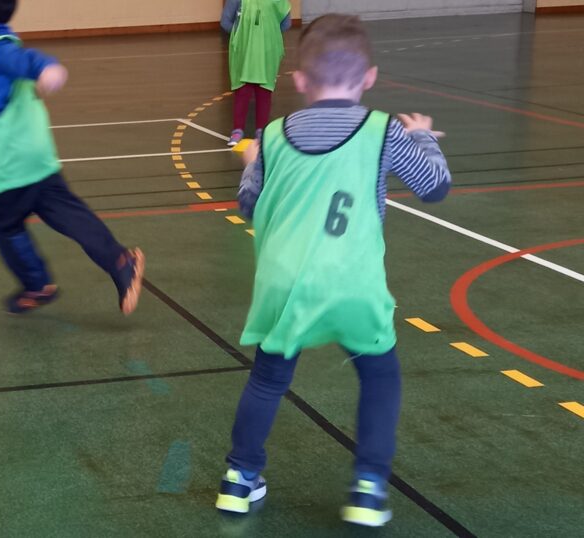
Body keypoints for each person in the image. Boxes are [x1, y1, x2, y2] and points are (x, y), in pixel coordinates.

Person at [215, 14, 452, 528]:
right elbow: (435, 186)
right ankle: (368, 486)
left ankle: (238, 478)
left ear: (300, 80)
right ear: (369, 77)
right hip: (352, 282)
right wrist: (423, 138)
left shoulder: (272, 136)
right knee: (379, 376)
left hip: (284, 283)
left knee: (268, 378)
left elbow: (249, 206)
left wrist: (253, 160)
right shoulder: (385, 131)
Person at [0, 0, 145, 315]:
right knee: (69, 215)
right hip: (36, 153)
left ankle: (37, 285)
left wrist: (49, 68)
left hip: (12, 161)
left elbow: (28, 60)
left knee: (5, 226)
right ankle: (120, 261)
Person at [221, 0, 293, 146]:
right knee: (242, 90)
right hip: (243, 50)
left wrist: (267, 33)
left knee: (264, 91)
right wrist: (242, 34)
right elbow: (225, 21)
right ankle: (237, 131)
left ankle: (261, 131)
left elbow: (286, 23)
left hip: (267, 50)